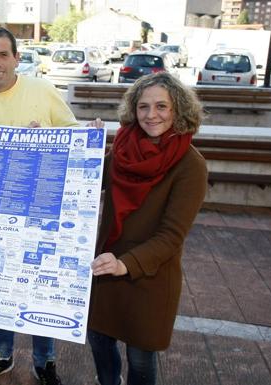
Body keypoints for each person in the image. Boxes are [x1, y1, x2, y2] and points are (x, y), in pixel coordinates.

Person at [0, 26, 102, 385]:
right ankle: (1, 355)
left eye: (3, 54)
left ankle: (45, 360)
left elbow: (73, 140)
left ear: (17, 58)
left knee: (41, 290)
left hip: (41, 214)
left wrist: (89, 135)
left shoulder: (42, 90)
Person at [87, 72, 208, 385]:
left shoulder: (190, 165)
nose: (151, 115)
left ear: (178, 110)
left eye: (161, 107)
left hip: (150, 276)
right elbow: (90, 182)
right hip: (105, 266)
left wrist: (124, 264)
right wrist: (84, 150)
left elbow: (171, 237)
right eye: (143, 107)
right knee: (99, 340)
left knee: (141, 358)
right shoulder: (124, 150)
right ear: (133, 110)